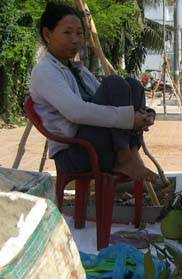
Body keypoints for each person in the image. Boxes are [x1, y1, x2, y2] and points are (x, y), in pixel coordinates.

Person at [30, 2, 157, 181]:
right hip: (75, 153)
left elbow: (109, 99)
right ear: (47, 34)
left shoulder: (78, 69)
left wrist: (143, 115)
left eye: (79, 33)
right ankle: (125, 158)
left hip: (100, 146)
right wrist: (129, 118)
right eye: (67, 33)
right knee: (114, 83)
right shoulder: (45, 71)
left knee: (132, 84)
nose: (75, 40)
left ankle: (131, 155)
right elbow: (76, 112)